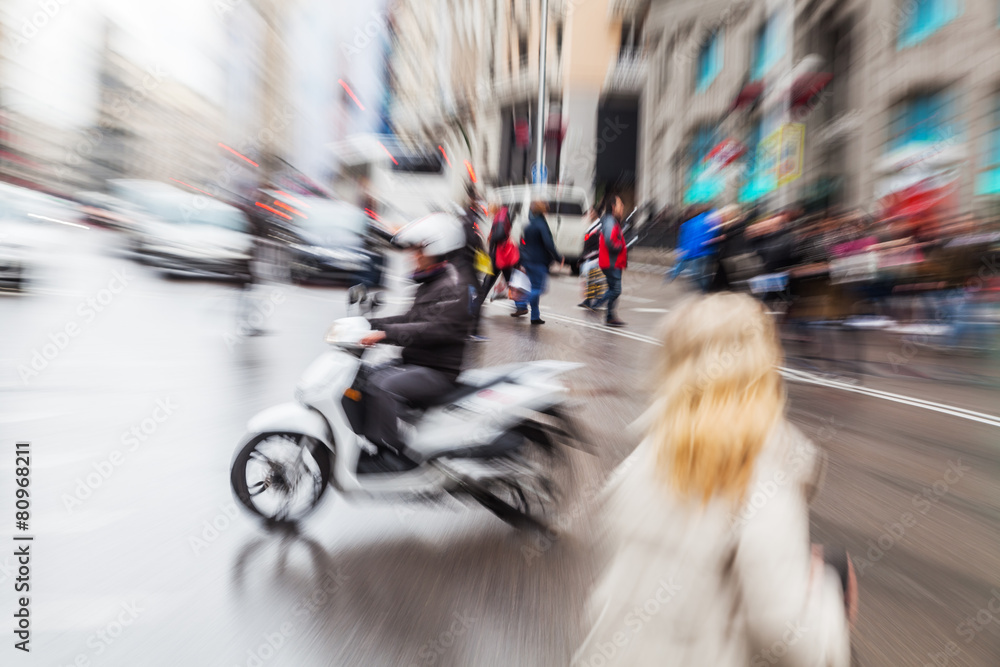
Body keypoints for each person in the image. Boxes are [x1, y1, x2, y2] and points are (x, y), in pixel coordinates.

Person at [573, 293, 855, 667]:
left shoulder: (647, 454)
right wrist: (830, 601)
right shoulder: (760, 468)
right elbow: (785, 632)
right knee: (834, 566)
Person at [361, 213, 473, 461]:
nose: (414, 256)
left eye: (420, 250)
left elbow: (433, 329)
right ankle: (375, 441)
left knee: (383, 387)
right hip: (416, 363)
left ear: (437, 248)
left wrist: (384, 334)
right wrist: (368, 324)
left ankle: (394, 454)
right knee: (365, 377)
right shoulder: (433, 283)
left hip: (438, 372)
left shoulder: (453, 286)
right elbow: (410, 318)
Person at [513, 200, 563, 324]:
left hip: (528, 260)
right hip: (538, 261)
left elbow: (523, 242)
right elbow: (548, 243)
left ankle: (535, 316)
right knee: (539, 289)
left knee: (535, 287)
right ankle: (522, 301)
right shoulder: (541, 224)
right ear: (543, 210)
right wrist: (558, 257)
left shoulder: (529, 225)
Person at [668, 205, 717, 290]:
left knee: (700, 274)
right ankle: (704, 290)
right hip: (696, 252)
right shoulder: (691, 223)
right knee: (697, 274)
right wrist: (682, 249)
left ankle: (705, 291)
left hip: (703, 252)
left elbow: (709, 234)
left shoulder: (706, 219)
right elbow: (686, 238)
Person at [597, 194, 628, 327]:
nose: (622, 208)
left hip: (613, 262)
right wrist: (620, 246)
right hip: (611, 262)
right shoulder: (610, 221)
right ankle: (598, 303)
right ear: (613, 207)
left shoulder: (612, 221)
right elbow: (610, 240)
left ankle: (610, 317)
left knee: (613, 288)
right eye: (620, 205)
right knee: (615, 290)